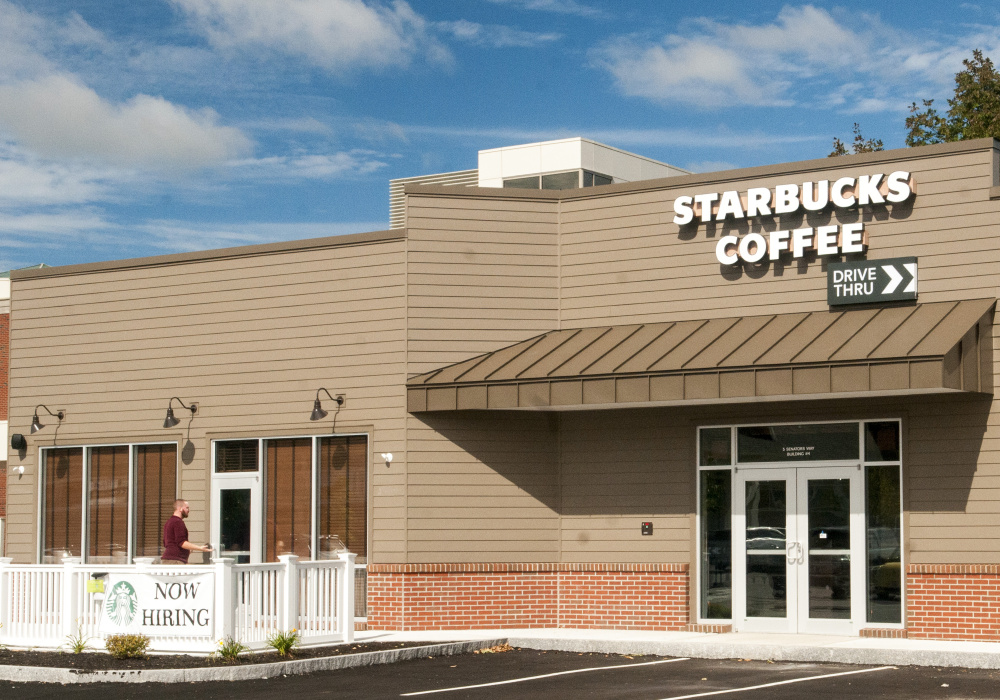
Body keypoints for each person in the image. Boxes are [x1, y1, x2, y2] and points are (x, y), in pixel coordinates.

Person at [161, 499, 212, 564]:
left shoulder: (169, 522)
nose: (188, 510)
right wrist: (200, 548)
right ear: (180, 508)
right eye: (187, 508)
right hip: (175, 560)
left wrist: (188, 549)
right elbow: (181, 542)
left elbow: (167, 543)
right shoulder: (177, 522)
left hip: (169, 559)